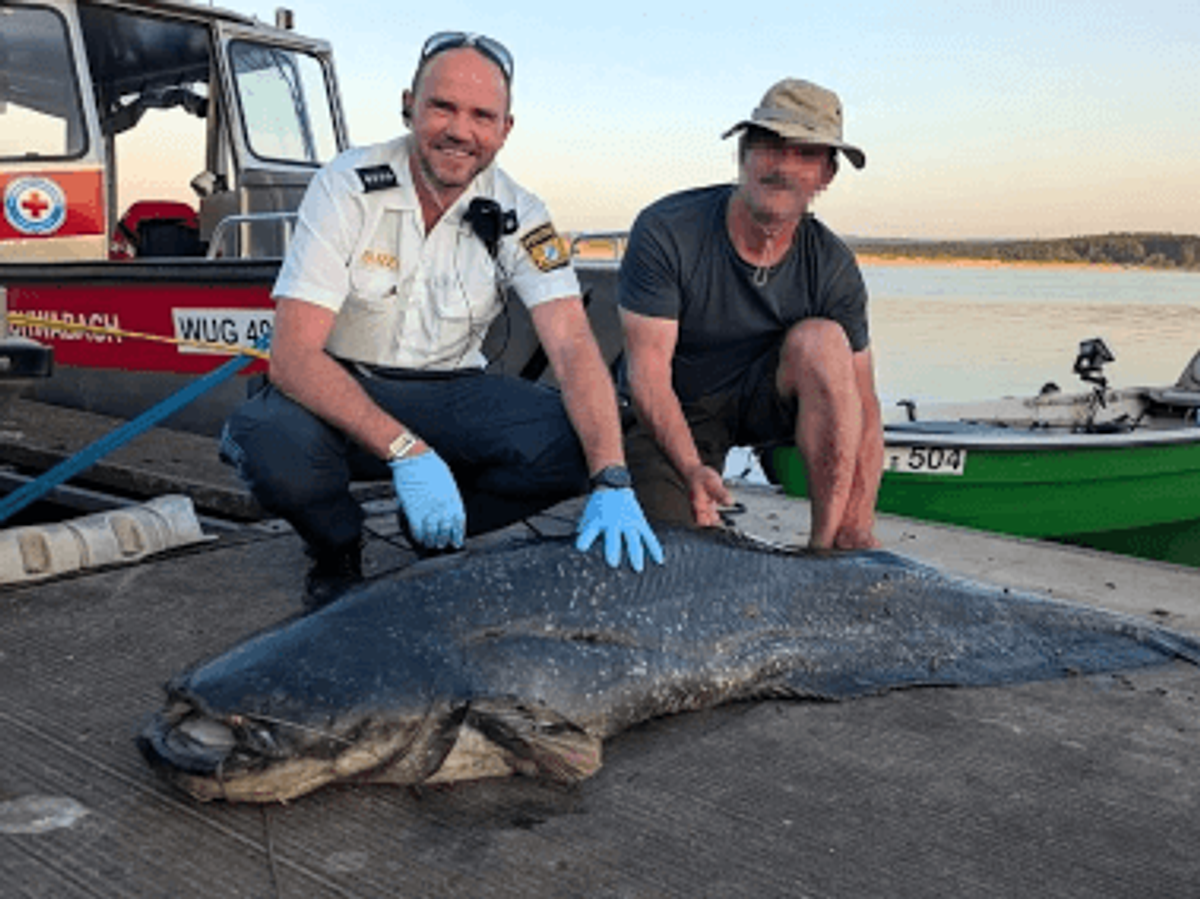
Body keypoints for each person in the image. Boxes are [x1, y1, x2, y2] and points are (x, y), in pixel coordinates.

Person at [221, 32, 662, 608]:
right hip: (344, 386)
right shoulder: (347, 185)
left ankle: (435, 530)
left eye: (482, 116)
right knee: (271, 443)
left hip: (452, 392)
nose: (460, 130)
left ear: (505, 129)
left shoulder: (521, 212)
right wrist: (408, 453)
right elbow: (293, 357)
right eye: (443, 107)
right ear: (409, 105)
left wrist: (612, 478)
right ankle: (337, 550)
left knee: (591, 440)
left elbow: (573, 346)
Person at [618, 78, 883, 550]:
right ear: (743, 153)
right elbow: (648, 376)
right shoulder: (666, 229)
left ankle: (824, 549)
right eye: (770, 146)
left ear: (826, 175)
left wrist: (856, 527)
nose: (783, 166)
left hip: (768, 403)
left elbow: (864, 405)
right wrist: (692, 469)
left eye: (805, 154)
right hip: (679, 407)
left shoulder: (832, 265)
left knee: (824, 341)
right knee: (677, 551)